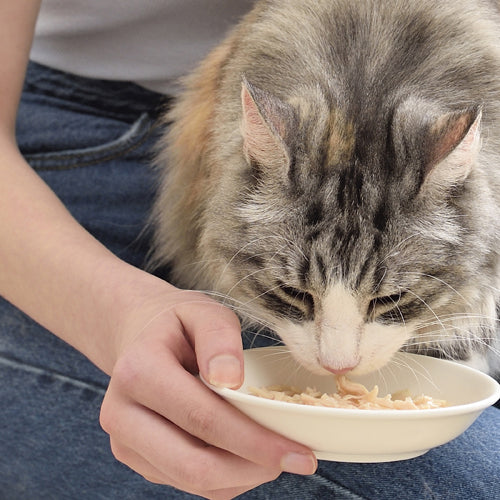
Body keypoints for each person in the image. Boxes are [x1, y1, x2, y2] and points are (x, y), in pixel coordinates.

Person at [0, 2, 498, 499]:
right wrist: (117, 317)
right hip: (60, 155)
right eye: (294, 294)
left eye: (387, 300)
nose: (337, 360)